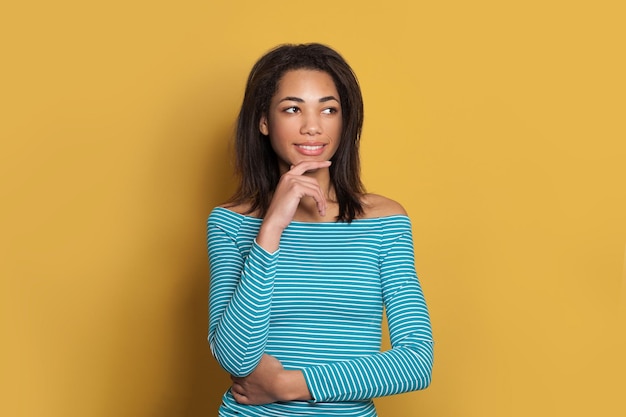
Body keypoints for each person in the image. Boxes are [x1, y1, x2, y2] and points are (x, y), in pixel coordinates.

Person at [207, 43, 433, 417]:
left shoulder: (385, 221)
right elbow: (236, 356)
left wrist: (289, 385)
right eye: (292, 108)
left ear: (345, 122)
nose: (312, 126)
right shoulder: (231, 222)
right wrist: (271, 228)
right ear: (263, 121)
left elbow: (416, 362)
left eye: (329, 109)